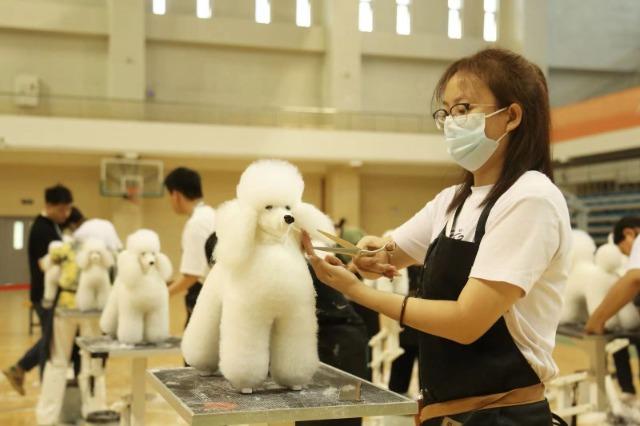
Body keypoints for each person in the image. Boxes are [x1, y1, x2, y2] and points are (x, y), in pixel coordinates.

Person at [304, 48, 571, 425]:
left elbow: (467, 321)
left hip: (502, 416)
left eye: (464, 109)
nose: (451, 122)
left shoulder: (530, 198)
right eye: (446, 112)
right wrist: (371, 251)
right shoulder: (452, 201)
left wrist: (358, 291)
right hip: (446, 413)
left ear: (511, 116)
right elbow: (390, 252)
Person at [3, 184, 73, 395]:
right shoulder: (43, 229)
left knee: (50, 338)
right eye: (62, 209)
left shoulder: (51, 225)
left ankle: (20, 368)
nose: (65, 214)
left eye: (68, 209)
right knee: (50, 341)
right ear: (49, 206)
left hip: (48, 295)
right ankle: (43, 382)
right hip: (45, 295)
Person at [164, 167, 216, 326]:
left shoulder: (196, 224)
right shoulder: (212, 214)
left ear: (176, 195)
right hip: (218, 294)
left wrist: (162, 295)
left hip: (205, 298)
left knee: (196, 349)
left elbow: (193, 275)